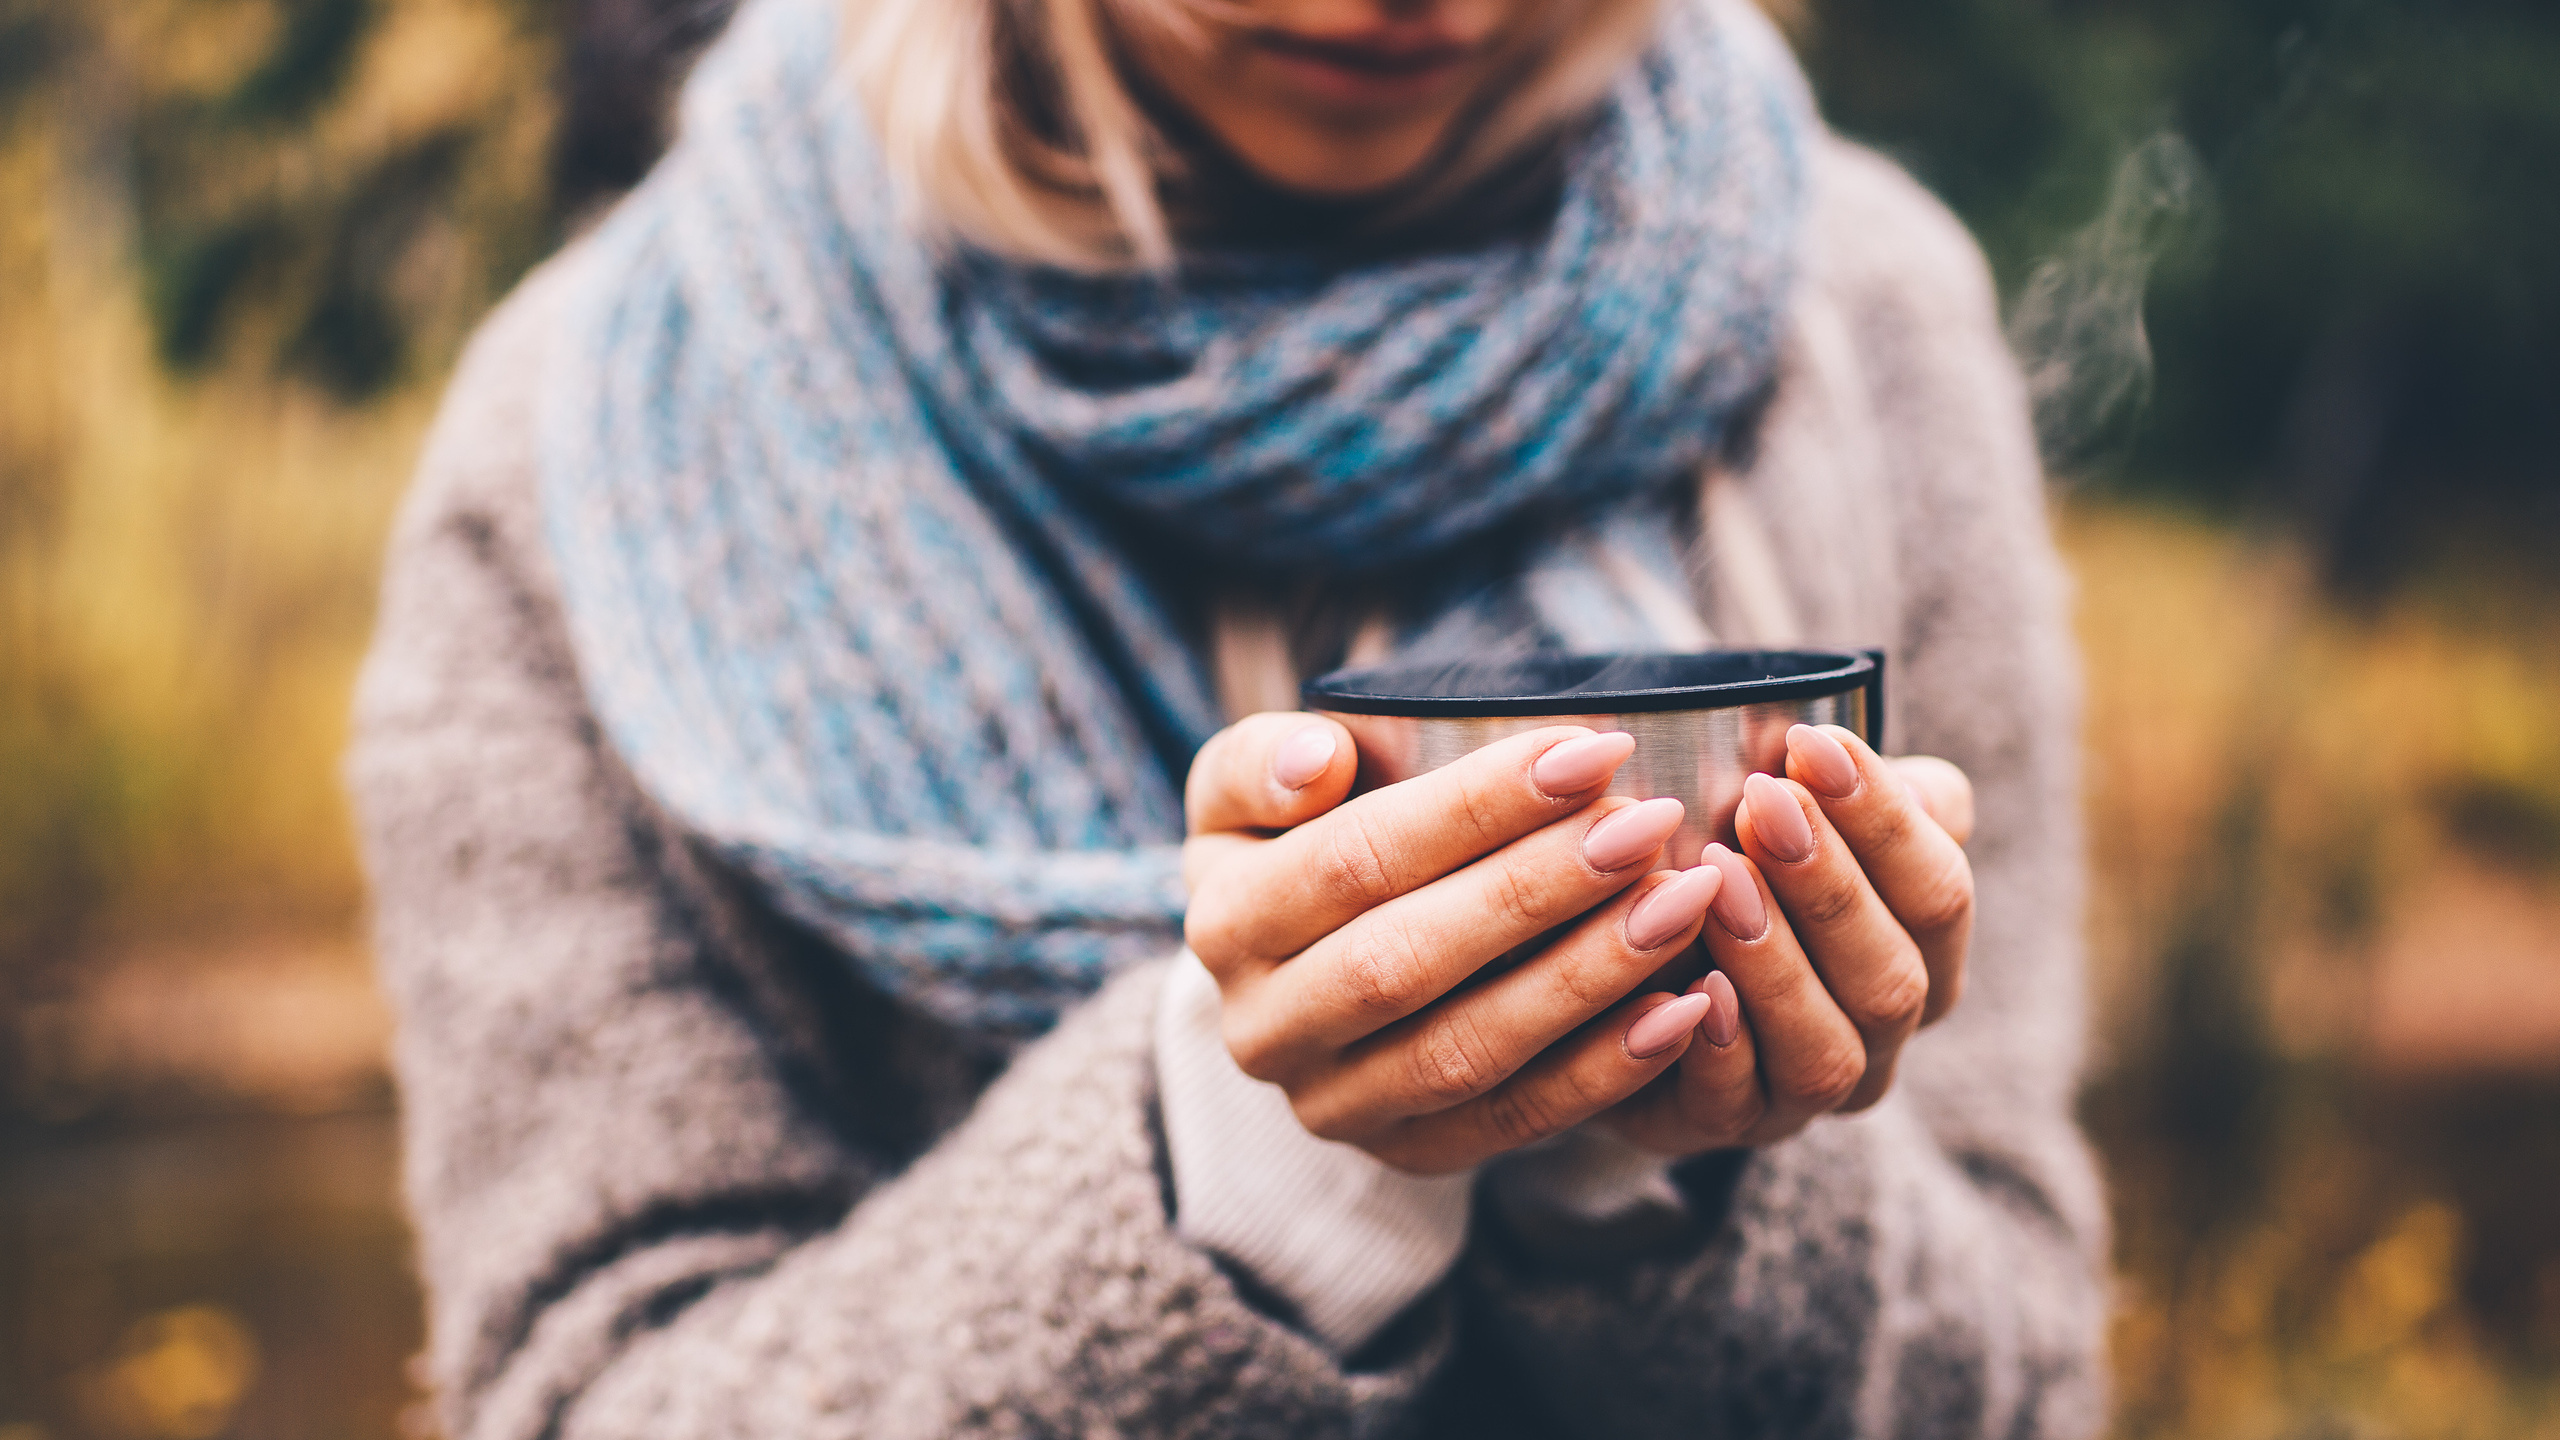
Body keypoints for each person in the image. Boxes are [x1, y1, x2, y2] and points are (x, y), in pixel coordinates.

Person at [349, 0, 2110, 1432]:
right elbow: (595, 1396)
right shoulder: (593, 453)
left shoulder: (1856, 327)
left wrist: (1645, 1133)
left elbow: (2025, 1382)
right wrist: (1247, 1146)